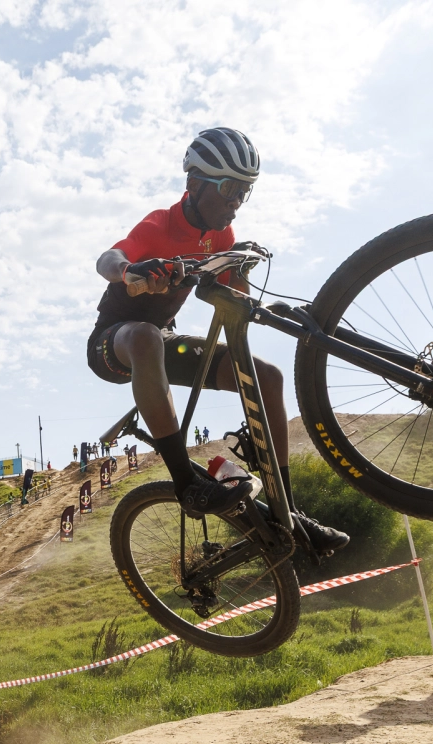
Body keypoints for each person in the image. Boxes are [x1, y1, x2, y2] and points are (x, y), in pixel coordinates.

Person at [88, 127, 348, 556]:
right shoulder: (161, 223)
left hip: (163, 345)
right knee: (146, 335)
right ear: (194, 184)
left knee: (267, 375)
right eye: (228, 188)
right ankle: (186, 482)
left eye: (244, 191)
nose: (235, 201)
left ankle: (289, 510)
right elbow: (107, 259)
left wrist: (238, 266)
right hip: (113, 345)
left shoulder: (222, 237)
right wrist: (131, 271)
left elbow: (237, 308)